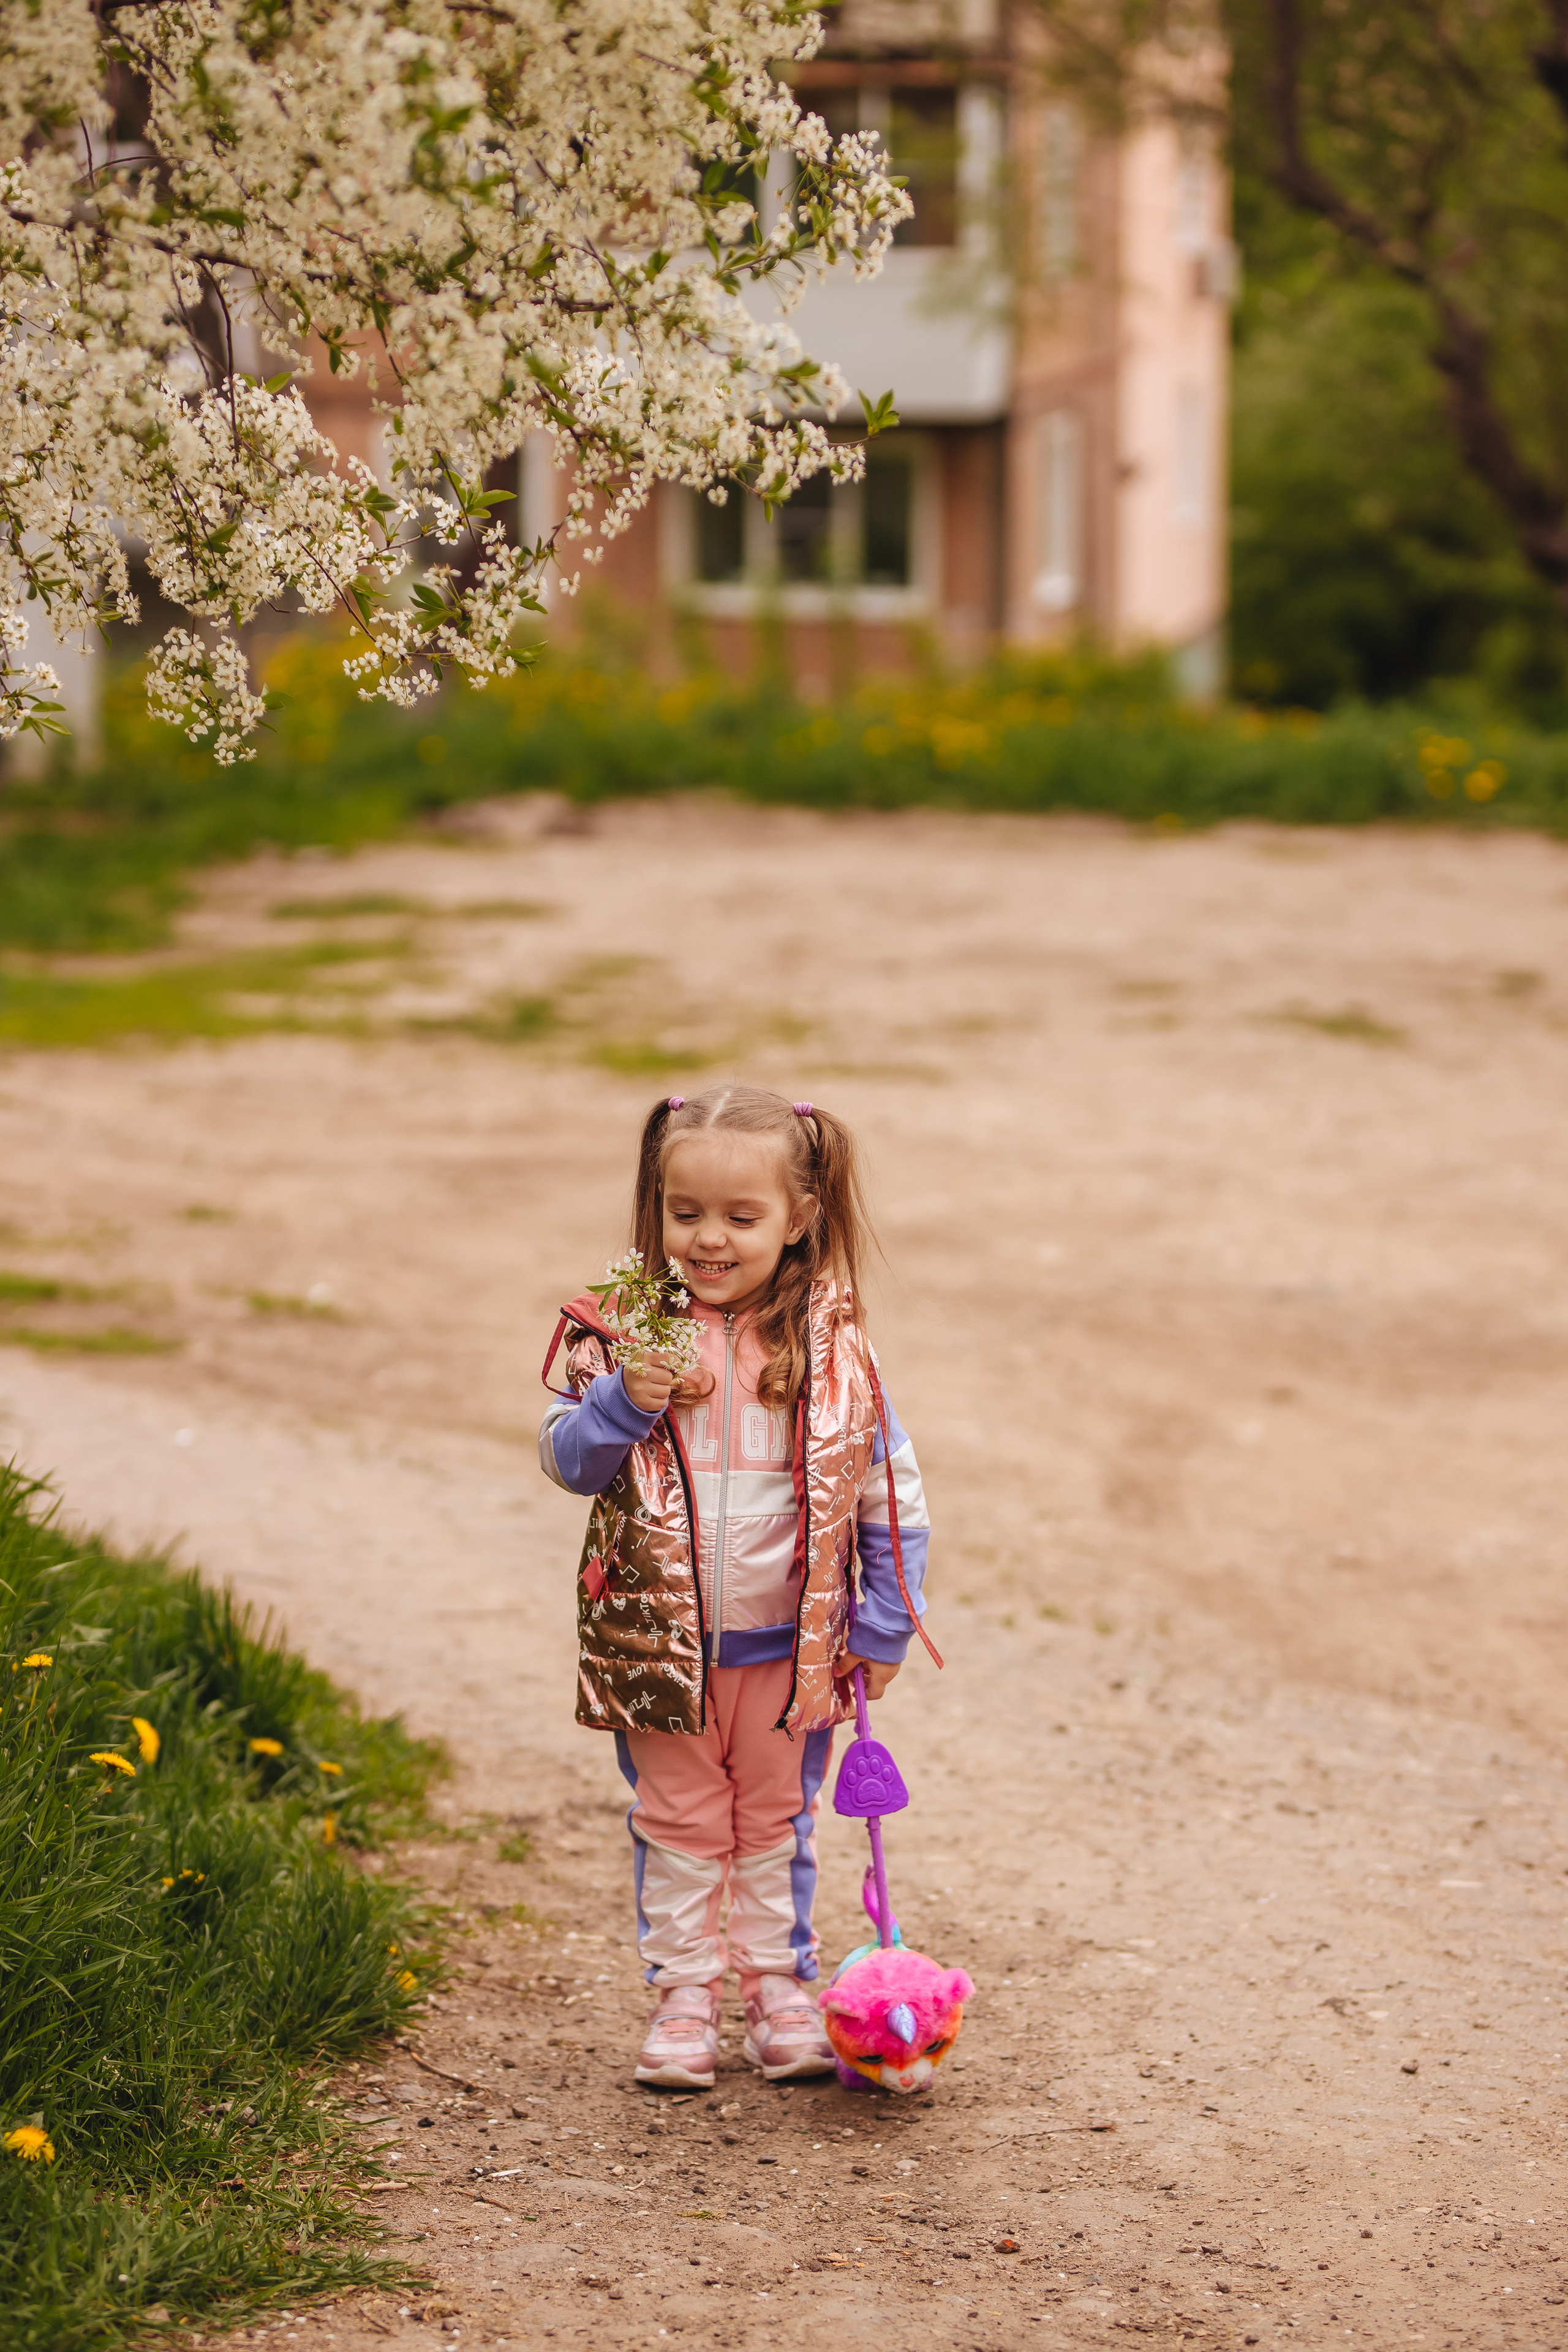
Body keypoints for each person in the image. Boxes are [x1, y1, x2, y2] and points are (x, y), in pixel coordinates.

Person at [538, 1083, 937, 2088]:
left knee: (774, 1823)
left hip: (784, 1650)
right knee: (676, 1822)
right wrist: (623, 1402)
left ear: (799, 1220)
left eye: (740, 1217)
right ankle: (684, 1997)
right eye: (686, 1214)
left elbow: (890, 1489)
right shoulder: (622, 1334)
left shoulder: (834, 1350)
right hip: (659, 1643)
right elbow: (567, 1463)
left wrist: (885, 1622)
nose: (709, 1239)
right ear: (656, 1205)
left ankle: (778, 1988)